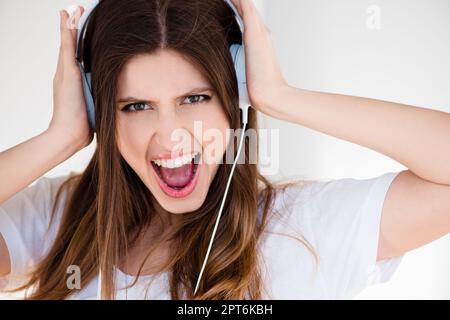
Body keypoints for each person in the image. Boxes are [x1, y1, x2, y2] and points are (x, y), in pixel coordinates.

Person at [0, 0, 449, 300]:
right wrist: (58, 137)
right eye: (136, 106)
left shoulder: (302, 229)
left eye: (194, 99)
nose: (170, 135)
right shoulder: (56, 219)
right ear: (100, 112)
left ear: (236, 96)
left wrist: (280, 96)